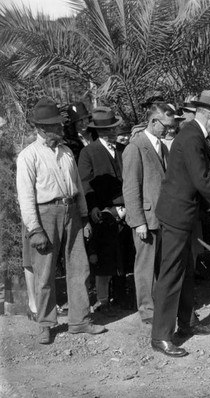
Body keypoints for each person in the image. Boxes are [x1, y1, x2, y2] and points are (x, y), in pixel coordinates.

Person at [152, 90, 210, 357]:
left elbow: (197, 182)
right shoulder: (192, 137)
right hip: (176, 215)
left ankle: (187, 321)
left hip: (186, 213)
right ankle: (161, 336)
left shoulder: (193, 134)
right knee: (171, 274)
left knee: (187, 271)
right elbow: (201, 180)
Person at [16, 98, 105, 344]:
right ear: (41, 129)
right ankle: (45, 323)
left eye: (59, 125)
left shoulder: (66, 153)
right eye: (54, 126)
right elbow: (25, 197)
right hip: (45, 214)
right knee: (44, 272)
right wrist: (35, 229)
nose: (59, 129)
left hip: (71, 211)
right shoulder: (28, 156)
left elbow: (76, 185)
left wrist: (84, 216)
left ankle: (80, 320)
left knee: (79, 267)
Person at [78, 106, 130, 313]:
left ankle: (122, 295)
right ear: (98, 132)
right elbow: (85, 183)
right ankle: (103, 299)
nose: (111, 133)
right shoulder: (88, 152)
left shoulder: (123, 149)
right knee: (103, 256)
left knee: (123, 253)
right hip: (102, 210)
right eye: (107, 130)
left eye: (113, 129)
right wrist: (93, 208)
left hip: (125, 207)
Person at [122, 103, 169, 324]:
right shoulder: (135, 147)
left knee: (160, 265)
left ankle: (159, 304)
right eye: (165, 125)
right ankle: (147, 310)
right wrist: (138, 221)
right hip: (146, 219)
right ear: (153, 122)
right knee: (145, 267)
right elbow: (130, 187)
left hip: (162, 218)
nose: (168, 130)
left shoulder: (162, 147)